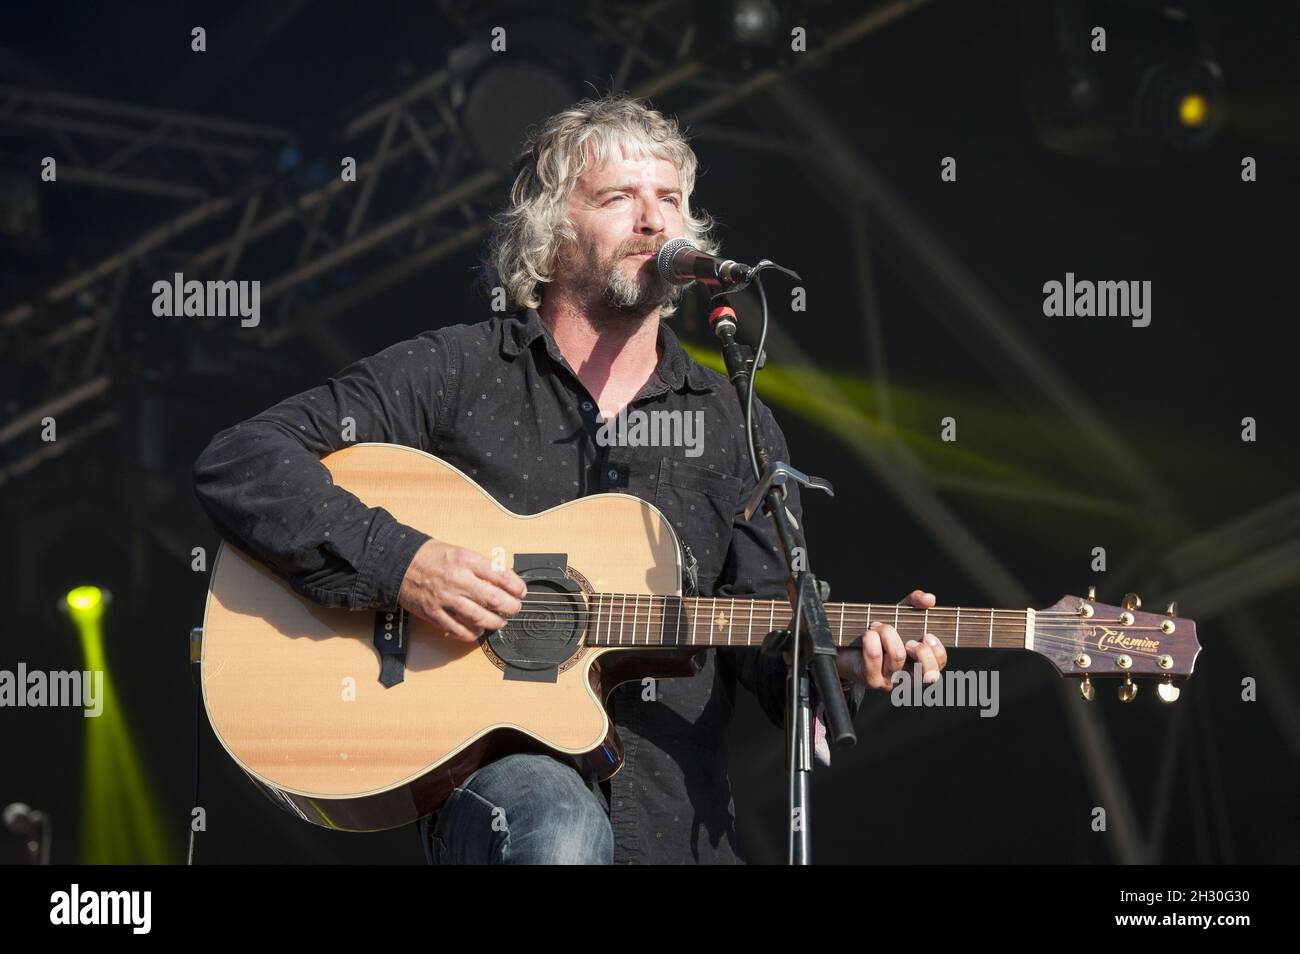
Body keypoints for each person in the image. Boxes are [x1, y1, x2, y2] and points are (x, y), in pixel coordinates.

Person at [193, 93, 949, 864]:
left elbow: (759, 634)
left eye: (671, 201)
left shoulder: (736, 419)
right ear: (550, 234)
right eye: (619, 198)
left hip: (678, 825)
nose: (654, 222)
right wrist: (403, 564)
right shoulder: (460, 369)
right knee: (559, 828)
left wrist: (838, 662)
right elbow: (243, 459)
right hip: (501, 798)